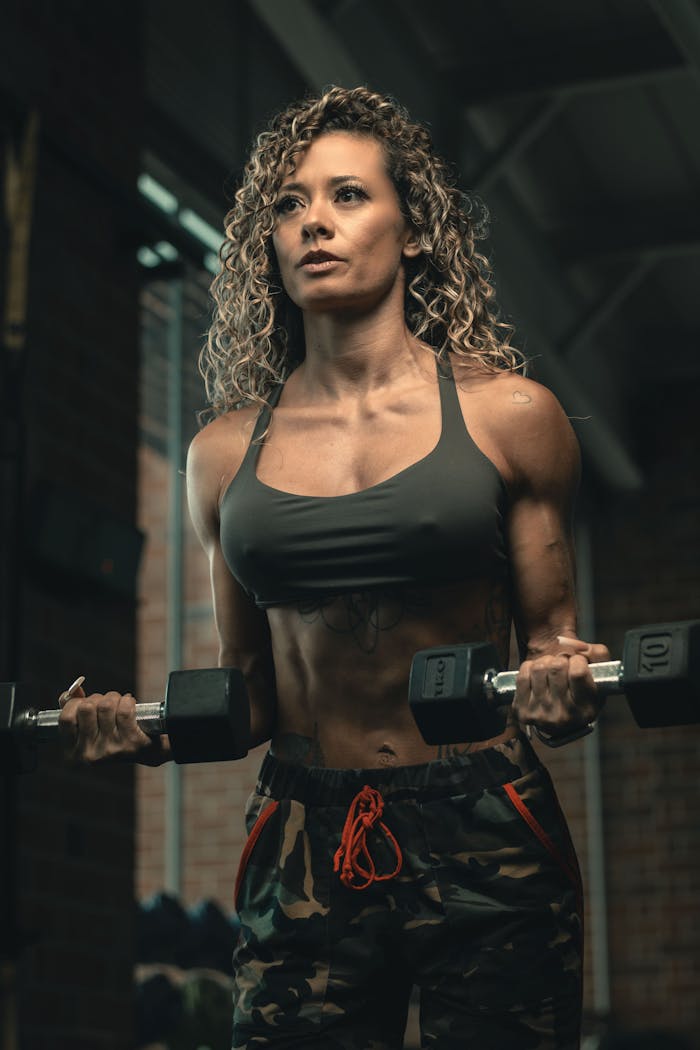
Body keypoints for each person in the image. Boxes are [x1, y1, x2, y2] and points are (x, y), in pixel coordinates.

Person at [59, 86, 610, 1049]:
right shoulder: (222, 456)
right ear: (268, 243)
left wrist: (564, 690)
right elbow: (248, 693)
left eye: (347, 194)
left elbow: (554, 654)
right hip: (303, 827)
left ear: (415, 232)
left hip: (483, 811)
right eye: (289, 204)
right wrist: (147, 732)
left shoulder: (510, 417)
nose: (313, 220)